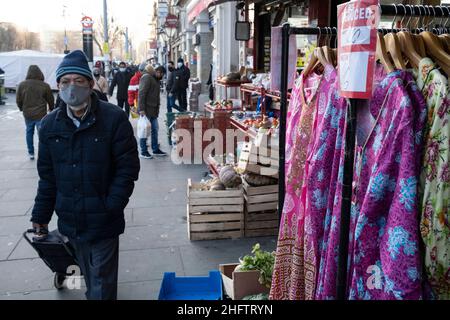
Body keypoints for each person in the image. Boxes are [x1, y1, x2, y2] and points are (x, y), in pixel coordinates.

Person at [30, 50, 140, 300]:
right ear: (57, 86)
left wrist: (112, 204)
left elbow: (128, 168)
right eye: (64, 82)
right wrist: (41, 216)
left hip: (104, 221)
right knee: (81, 272)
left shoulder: (114, 119)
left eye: (78, 81)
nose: (71, 87)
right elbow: (47, 177)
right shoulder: (49, 126)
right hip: (69, 220)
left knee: (101, 286)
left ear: (90, 84)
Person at [16, 65, 55, 160]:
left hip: (27, 114)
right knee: (41, 133)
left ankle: (31, 153)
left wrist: (22, 109)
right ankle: (43, 152)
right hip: (41, 114)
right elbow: (50, 99)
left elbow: (18, 100)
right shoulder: (45, 85)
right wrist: (51, 108)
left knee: (29, 132)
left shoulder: (22, 85)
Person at [138, 65, 168, 158]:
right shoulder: (147, 77)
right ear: (158, 71)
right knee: (144, 130)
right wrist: (141, 109)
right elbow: (142, 93)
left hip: (153, 110)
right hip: (146, 110)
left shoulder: (154, 79)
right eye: (161, 74)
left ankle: (155, 149)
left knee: (154, 130)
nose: (162, 76)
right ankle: (143, 151)